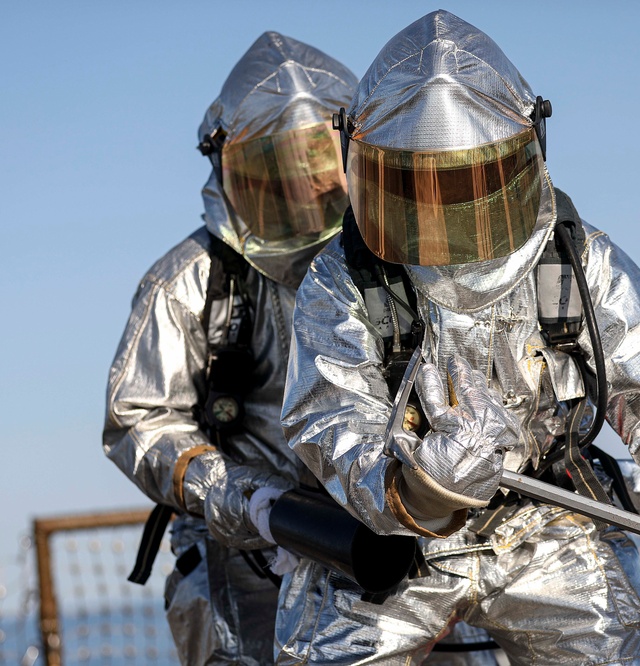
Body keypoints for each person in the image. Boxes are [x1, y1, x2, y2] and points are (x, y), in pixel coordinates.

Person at [277, 10, 640, 664]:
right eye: (415, 188)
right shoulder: (343, 275)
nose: (444, 214)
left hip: (548, 523)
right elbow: (331, 418)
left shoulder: (577, 261)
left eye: (469, 186)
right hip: (396, 531)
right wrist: (418, 489)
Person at [103, 32, 358, 665]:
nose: (303, 193)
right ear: (228, 170)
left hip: (385, 528)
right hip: (243, 546)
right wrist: (240, 497)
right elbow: (138, 418)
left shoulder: (397, 259)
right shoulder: (188, 281)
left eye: (318, 169)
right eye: (274, 173)